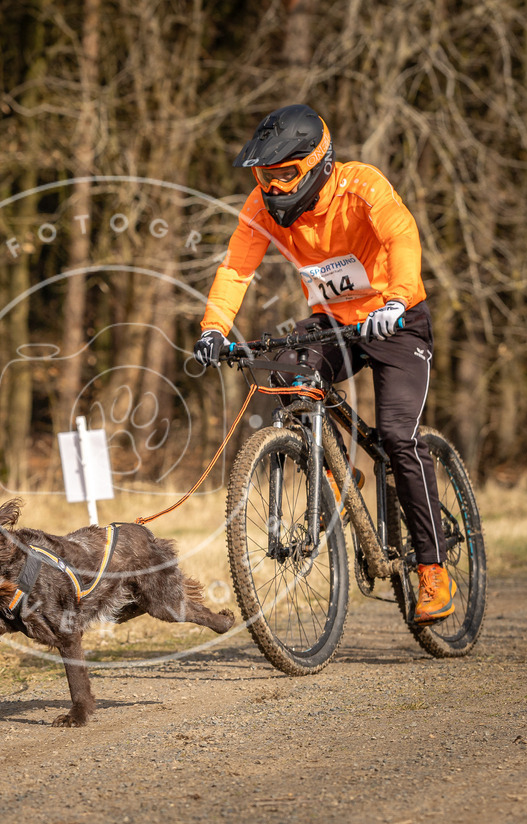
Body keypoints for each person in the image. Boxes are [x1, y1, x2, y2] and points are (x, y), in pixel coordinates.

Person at [193, 104, 454, 625]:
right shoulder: (261, 206)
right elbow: (236, 269)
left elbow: (401, 236)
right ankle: (331, 469)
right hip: (333, 322)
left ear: (319, 163)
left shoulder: (362, 186)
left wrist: (397, 300)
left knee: (397, 437)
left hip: (395, 320)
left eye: (285, 174)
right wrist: (213, 329)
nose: (273, 186)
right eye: (265, 176)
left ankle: (432, 568)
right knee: (282, 366)